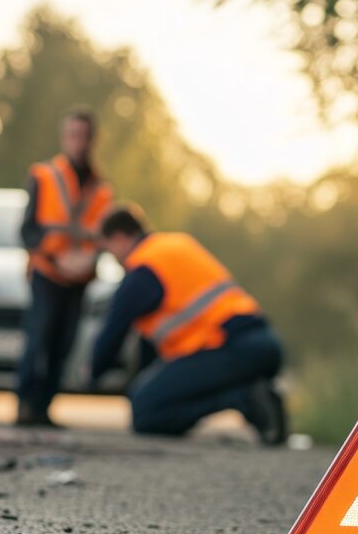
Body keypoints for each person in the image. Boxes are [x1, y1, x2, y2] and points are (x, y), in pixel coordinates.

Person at [90, 206, 288, 445]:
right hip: (264, 344)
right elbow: (151, 350)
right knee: (147, 394)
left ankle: (245, 398)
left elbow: (112, 333)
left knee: (145, 412)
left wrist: (92, 373)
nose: (113, 258)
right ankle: (254, 398)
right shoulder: (177, 244)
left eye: (108, 250)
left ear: (119, 239)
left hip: (229, 348)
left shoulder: (142, 269)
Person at [17, 109, 113, 426]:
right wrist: (57, 258)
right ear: (64, 137)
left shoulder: (102, 189)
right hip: (47, 273)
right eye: (74, 135)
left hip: (80, 279)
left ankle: (45, 408)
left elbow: (103, 238)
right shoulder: (44, 176)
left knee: (65, 344)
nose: (79, 142)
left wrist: (91, 260)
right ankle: (25, 406)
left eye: (84, 136)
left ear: (93, 139)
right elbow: (27, 230)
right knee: (38, 338)